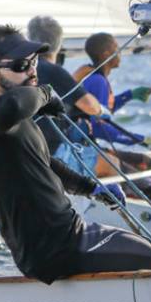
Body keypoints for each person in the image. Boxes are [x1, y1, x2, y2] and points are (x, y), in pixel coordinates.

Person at [0, 24, 151, 283]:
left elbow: (45, 164)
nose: (32, 71)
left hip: (68, 238)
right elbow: (12, 106)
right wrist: (45, 93)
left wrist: (92, 188)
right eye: (21, 65)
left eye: (34, 62)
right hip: (61, 247)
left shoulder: (13, 122)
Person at [26, 16, 120, 179]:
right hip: (51, 153)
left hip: (25, 150)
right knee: (112, 163)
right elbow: (90, 106)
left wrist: (73, 78)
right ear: (58, 44)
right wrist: (102, 111)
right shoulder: (53, 70)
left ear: (29, 41)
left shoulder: (21, 69)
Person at [72, 32, 151, 153]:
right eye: (117, 48)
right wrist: (140, 139)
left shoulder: (97, 78)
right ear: (106, 55)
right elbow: (99, 127)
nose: (120, 52)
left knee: (138, 159)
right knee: (140, 161)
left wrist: (130, 95)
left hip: (84, 142)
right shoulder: (98, 81)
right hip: (78, 146)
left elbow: (104, 110)